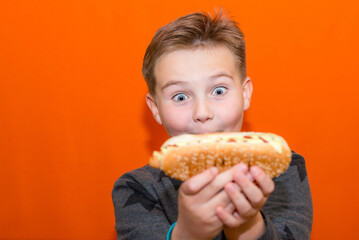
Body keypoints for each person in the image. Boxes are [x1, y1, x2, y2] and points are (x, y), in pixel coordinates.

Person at [112, 10, 313, 240]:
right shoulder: (136, 188)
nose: (202, 113)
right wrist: (188, 233)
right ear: (156, 109)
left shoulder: (283, 169)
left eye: (218, 90)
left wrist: (246, 225)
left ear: (245, 94)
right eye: (180, 97)